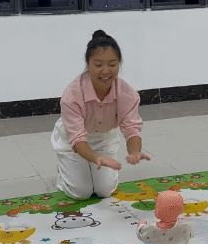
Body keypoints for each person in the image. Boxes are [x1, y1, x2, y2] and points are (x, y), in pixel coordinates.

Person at [51, 29, 151, 200]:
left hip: (104, 139)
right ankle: (63, 173)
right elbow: (77, 138)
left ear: (119, 64)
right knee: (81, 192)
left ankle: (87, 170)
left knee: (104, 191)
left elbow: (132, 128)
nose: (105, 71)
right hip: (73, 140)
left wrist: (135, 151)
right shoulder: (72, 94)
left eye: (112, 64)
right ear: (88, 64)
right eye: (98, 65)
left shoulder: (127, 94)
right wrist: (97, 158)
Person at [126, 191, 192, 244]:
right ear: (181, 210)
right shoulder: (184, 225)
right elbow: (189, 235)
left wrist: (141, 226)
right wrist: (183, 223)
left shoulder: (152, 228)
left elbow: (142, 235)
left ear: (157, 211)